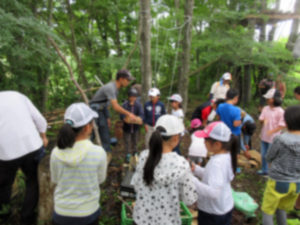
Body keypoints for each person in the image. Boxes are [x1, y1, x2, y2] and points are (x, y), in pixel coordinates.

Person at [131, 115, 197, 225]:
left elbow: (136, 186)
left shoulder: (143, 157)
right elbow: (189, 199)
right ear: (176, 138)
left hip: (141, 219)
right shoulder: (181, 164)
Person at [50, 103, 107, 225]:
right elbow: (100, 180)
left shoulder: (55, 153)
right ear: (87, 127)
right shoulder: (98, 153)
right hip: (88, 213)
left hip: (61, 214)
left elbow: (55, 180)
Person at [0, 91, 48, 225]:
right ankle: (27, 217)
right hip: (31, 145)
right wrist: (43, 136)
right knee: (33, 181)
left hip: (5, 153)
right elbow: (39, 119)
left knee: (4, 185)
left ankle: (4, 215)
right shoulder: (17, 95)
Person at [191, 121, 238, 225]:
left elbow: (213, 193)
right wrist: (196, 170)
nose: (203, 142)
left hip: (213, 214)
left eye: (206, 140)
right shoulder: (227, 156)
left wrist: (192, 181)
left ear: (217, 144)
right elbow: (212, 176)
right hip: (224, 206)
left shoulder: (217, 162)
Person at [261, 105, 300, 225]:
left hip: (278, 181)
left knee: (267, 211)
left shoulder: (280, 139)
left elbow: (269, 157)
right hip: (296, 184)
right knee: (282, 208)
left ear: (286, 122)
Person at [90, 69, 138, 154]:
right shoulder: (110, 88)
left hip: (101, 111)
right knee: (91, 134)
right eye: (128, 80)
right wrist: (129, 113)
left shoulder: (116, 90)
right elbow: (116, 107)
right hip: (94, 111)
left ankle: (107, 157)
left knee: (105, 135)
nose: (129, 82)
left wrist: (107, 117)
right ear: (121, 79)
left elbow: (107, 105)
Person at [258, 88, 285, 176]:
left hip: (274, 138)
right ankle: (264, 170)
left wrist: (272, 131)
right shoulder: (265, 108)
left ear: (274, 99)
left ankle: (271, 172)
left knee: (271, 155)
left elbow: (281, 125)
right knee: (263, 154)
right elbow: (261, 119)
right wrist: (263, 121)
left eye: (268, 98)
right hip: (264, 136)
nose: (267, 100)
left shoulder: (280, 111)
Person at [120, 88, 144, 162]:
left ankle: (135, 153)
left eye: (134, 96)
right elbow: (121, 115)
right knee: (127, 141)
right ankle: (128, 155)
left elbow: (141, 114)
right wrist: (125, 119)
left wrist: (138, 119)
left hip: (136, 127)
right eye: (131, 96)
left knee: (135, 141)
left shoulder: (138, 105)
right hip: (127, 127)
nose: (133, 98)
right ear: (128, 96)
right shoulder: (124, 105)